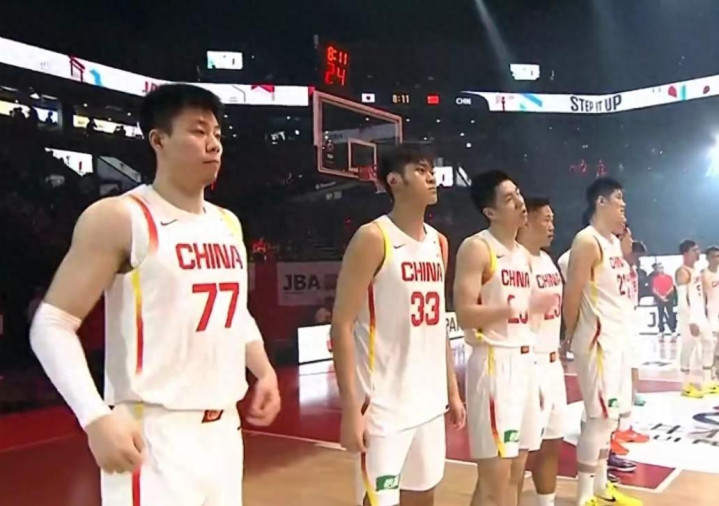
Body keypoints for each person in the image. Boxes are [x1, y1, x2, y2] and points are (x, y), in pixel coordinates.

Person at [29, 84, 281, 506]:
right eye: (198, 131)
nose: (213, 144)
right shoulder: (121, 217)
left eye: (217, 133)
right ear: (158, 140)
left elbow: (234, 311)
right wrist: (94, 417)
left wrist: (264, 370)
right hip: (154, 433)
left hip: (225, 431)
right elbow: (51, 325)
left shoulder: (227, 224)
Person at [330, 143, 465, 506]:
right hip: (383, 407)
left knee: (423, 496)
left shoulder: (439, 243)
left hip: (429, 402)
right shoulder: (374, 238)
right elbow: (341, 324)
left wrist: (452, 392)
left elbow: (438, 324)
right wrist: (350, 410)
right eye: (420, 170)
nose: (431, 177)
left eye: (431, 170)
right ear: (394, 180)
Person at [454, 171, 552, 506]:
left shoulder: (524, 255)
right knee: (496, 480)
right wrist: (515, 308)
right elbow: (465, 313)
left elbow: (526, 312)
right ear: (490, 212)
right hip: (495, 363)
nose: (520, 202)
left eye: (518, 193)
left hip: (525, 362)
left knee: (515, 472)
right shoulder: (477, 248)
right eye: (509, 199)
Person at [563, 177, 642, 506]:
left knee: (610, 420)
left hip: (617, 340)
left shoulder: (612, 244)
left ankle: (600, 486)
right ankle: (583, 495)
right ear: (600, 202)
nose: (623, 205)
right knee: (598, 420)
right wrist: (569, 336)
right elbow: (572, 292)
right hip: (598, 343)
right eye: (618, 198)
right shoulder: (587, 241)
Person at [516, 197, 566, 506]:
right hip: (527, 362)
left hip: (552, 361)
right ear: (526, 220)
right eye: (545, 219)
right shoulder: (515, 260)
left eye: (552, 220)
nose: (551, 226)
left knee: (552, 443)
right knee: (519, 456)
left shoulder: (547, 260)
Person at [675, 240, 718, 397]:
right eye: (695, 250)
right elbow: (682, 300)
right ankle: (685, 385)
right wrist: (691, 320)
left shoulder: (696, 271)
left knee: (708, 343)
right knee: (688, 347)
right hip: (689, 316)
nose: (698, 252)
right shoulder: (682, 272)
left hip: (700, 314)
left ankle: (707, 381)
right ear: (686, 253)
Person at [701, 246, 719, 377]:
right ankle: (709, 371)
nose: (716, 259)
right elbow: (700, 297)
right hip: (712, 312)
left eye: (718, 256)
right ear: (707, 258)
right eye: (713, 256)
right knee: (711, 344)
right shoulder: (703, 275)